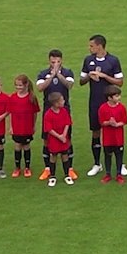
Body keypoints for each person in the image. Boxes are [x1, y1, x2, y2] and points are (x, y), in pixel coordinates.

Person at [79, 34, 124, 179]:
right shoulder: (88, 60)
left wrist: (104, 76)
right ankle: (97, 163)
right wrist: (89, 76)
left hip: (112, 103)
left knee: (115, 130)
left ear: (100, 46)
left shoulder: (113, 60)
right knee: (96, 132)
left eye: (91, 45)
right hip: (94, 102)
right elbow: (81, 81)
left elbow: (120, 82)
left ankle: (119, 164)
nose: (89, 48)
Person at [35, 50, 75, 181]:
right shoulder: (43, 73)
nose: (55, 64)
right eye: (52, 62)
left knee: (67, 137)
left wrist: (58, 74)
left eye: (57, 61)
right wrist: (51, 76)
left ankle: (69, 169)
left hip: (64, 110)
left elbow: (69, 85)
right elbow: (40, 88)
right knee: (47, 139)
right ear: (49, 61)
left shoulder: (68, 72)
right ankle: (48, 169)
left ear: (61, 60)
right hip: (48, 111)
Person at [7, 75, 38, 178]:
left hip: (27, 126)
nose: (18, 87)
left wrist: (33, 126)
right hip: (17, 127)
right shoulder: (13, 97)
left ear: (26, 85)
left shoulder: (31, 98)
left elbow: (35, 113)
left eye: (20, 85)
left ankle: (27, 168)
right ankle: (17, 168)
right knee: (17, 146)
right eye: (17, 85)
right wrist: (11, 127)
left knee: (26, 146)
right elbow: (10, 113)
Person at [96, 86, 127, 185]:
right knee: (107, 156)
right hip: (108, 139)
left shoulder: (122, 108)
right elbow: (101, 122)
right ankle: (108, 174)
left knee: (119, 156)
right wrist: (109, 123)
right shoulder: (103, 108)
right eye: (116, 96)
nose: (119, 98)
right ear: (109, 98)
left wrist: (117, 124)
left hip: (119, 138)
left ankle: (119, 174)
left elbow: (124, 121)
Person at [41, 92, 72, 187]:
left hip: (63, 138)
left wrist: (64, 135)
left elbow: (67, 123)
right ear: (56, 103)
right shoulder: (48, 114)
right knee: (53, 156)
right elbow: (49, 129)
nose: (64, 101)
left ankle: (67, 175)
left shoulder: (64, 111)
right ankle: (52, 176)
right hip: (54, 139)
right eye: (62, 100)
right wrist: (59, 136)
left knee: (65, 155)